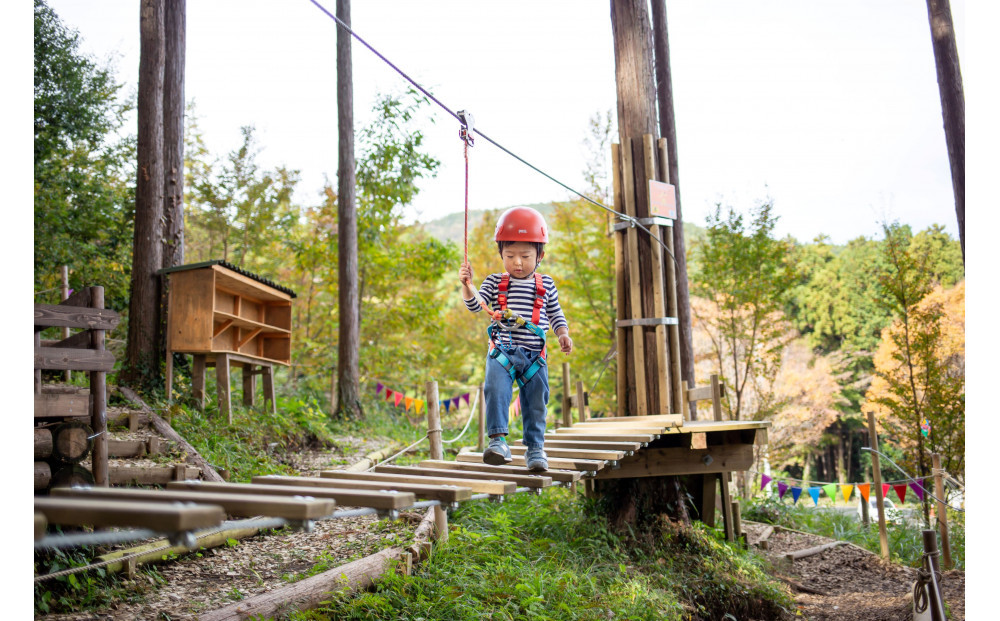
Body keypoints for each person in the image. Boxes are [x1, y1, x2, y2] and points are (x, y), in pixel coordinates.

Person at [459, 206, 572, 471]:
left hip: (534, 357)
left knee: (536, 402)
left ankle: (535, 449)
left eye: (525, 256)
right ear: (501, 254)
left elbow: (555, 313)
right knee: (496, 390)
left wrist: (563, 333)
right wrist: (467, 286)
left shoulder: (546, 285)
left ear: (540, 255)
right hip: (502, 352)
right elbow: (475, 306)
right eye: (510, 256)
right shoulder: (494, 282)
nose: (517, 262)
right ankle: (498, 442)